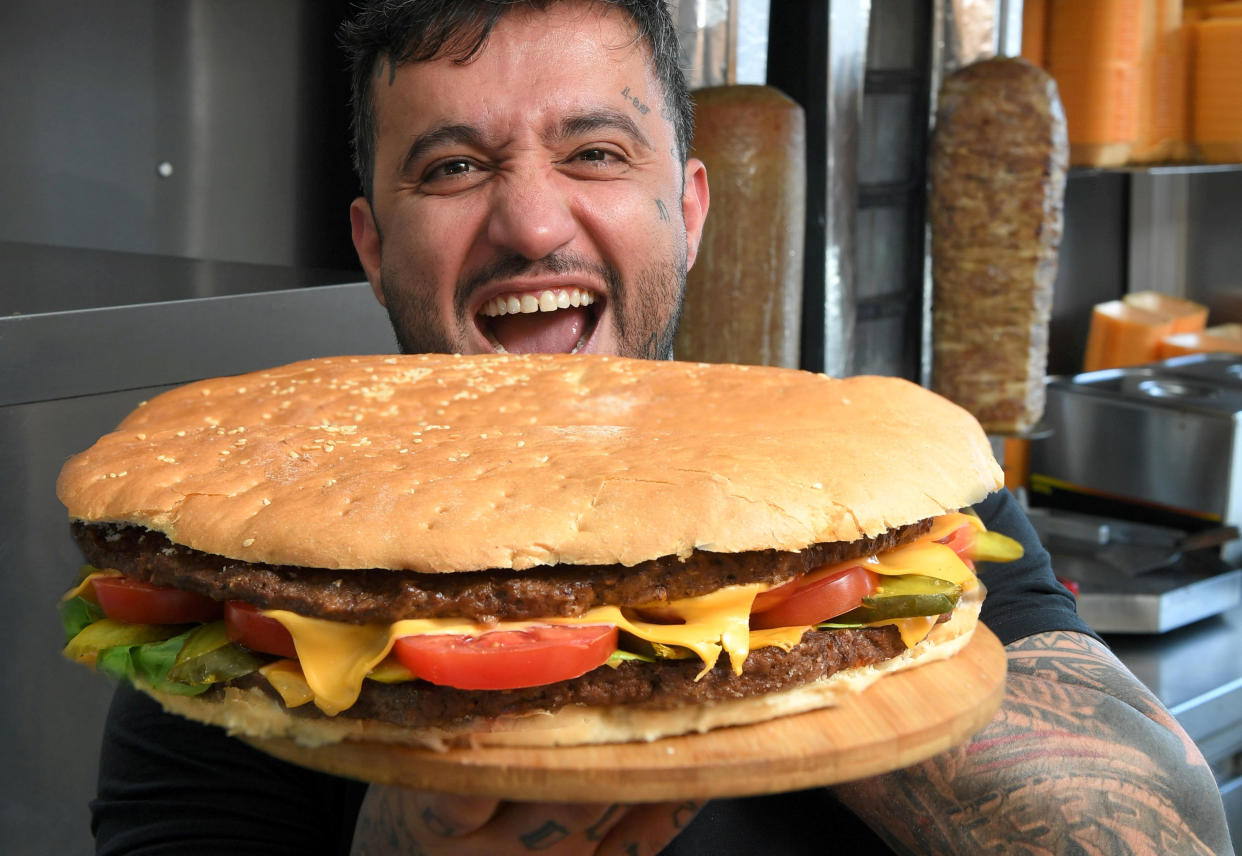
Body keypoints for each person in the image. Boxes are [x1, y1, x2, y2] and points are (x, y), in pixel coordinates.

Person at [91, 1, 1235, 854]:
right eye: (453, 166)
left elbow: (1161, 829)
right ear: (375, 242)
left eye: (594, 152)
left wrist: (790, 634)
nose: (534, 221)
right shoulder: (253, 588)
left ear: (686, 212)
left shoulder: (877, 489)